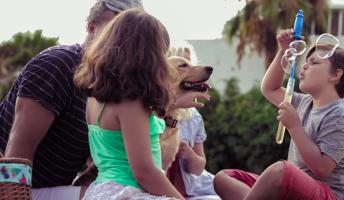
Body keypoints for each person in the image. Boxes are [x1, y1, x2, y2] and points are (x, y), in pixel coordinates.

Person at [0, 1, 209, 199]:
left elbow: (116, 147)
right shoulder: (57, 65)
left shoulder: (101, 88)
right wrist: (11, 195)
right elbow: (16, 154)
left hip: (64, 187)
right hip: (15, 189)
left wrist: (172, 102)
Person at [213, 29, 344, 200]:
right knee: (223, 178)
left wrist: (295, 127)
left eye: (314, 63)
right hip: (295, 190)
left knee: (280, 171)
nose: (304, 65)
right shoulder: (302, 102)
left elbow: (321, 168)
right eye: (306, 61)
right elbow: (270, 88)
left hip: (330, 195)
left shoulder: (341, 115)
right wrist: (283, 51)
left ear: (336, 74)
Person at [74, 9, 185, 199]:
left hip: (100, 191)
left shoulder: (96, 97)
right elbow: (144, 172)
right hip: (128, 192)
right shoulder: (131, 102)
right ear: (150, 55)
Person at [166, 42, 218, 198]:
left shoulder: (193, 117)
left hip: (197, 189)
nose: (196, 69)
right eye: (183, 65)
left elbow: (199, 167)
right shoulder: (148, 114)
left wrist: (189, 154)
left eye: (191, 64)